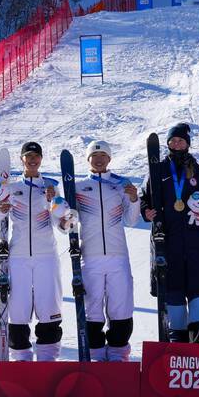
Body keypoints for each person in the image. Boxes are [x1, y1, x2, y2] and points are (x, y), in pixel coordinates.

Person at [0, 141, 67, 361]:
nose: (32, 160)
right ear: (22, 160)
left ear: (41, 159)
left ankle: (47, 357)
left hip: (46, 256)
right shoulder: (11, 189)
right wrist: (0, 209)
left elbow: (62, 223)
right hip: (19, 256)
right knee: (18, 308)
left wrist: (54, 202)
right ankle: (21, 356)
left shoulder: (51, 186)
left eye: (36, 157)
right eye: (28, 157)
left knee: (49, 305)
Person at [140, 122, 199, 343]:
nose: (176, 143)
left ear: (188, 143)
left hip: (195, 242)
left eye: (181, 140)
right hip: (168, 240)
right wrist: (146, 210)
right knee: (172, 287)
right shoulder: (158, 170)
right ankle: (176, 336)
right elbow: (145, 197)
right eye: (172, 140)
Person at [71, 139, 140, 361]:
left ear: (109, 159)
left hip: (118, 256)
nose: (99, 160)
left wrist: (134, 199)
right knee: (92, 308)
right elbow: (68, 224)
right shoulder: (78, 187)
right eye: (95, 156)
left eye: (103, 156)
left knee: (120, 306)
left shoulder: (122, 184)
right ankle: (95, 355)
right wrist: (62, 213)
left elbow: (130, 220)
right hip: (90, 257)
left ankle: (119, 354)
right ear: (88, 159)